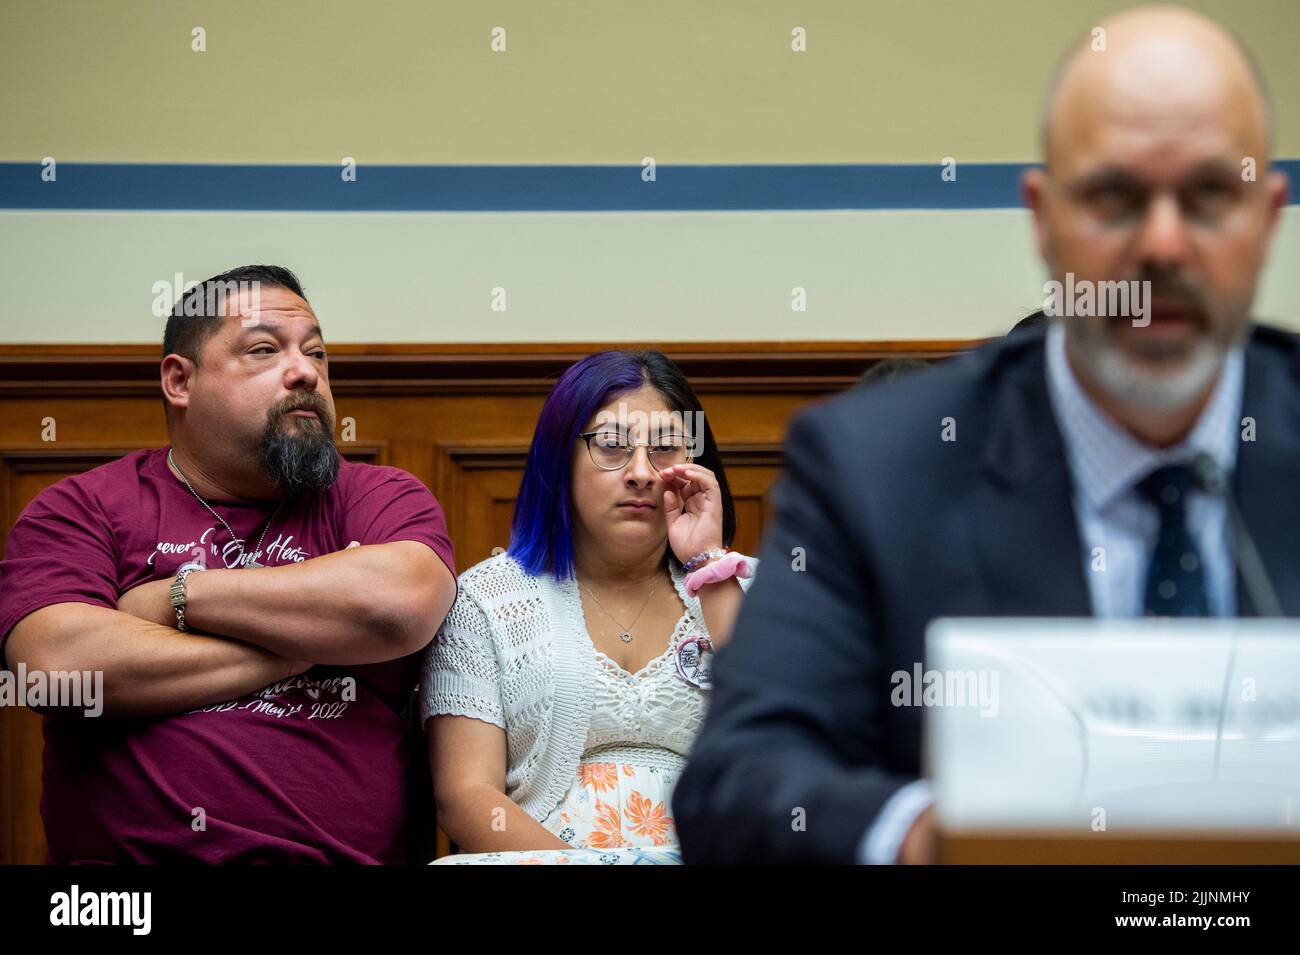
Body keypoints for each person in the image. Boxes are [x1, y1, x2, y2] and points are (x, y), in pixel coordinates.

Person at [673, 5, 1293, 864]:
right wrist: (938, 839)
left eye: (1209, 196)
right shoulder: (876, 469)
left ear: (1267, 216)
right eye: (1114, 195)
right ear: (1041, 218)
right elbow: (736, 785)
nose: (1161, 243)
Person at [0, 265, 458, 863]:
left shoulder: (379, 497)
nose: (305, 372)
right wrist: (315, 639)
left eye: (316, 353)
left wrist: (175, 598)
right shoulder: (83, 507)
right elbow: (57, 669)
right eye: (265, 349)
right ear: (179, 380)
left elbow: (401, 604)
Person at [420, 350, 756, 864]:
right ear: (561, 458)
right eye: (612, 446)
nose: (642, 473)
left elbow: (774, 741)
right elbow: (465, 797)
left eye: (666, 449)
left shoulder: (745, 588)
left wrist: (710, 567)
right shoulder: (485, 602)